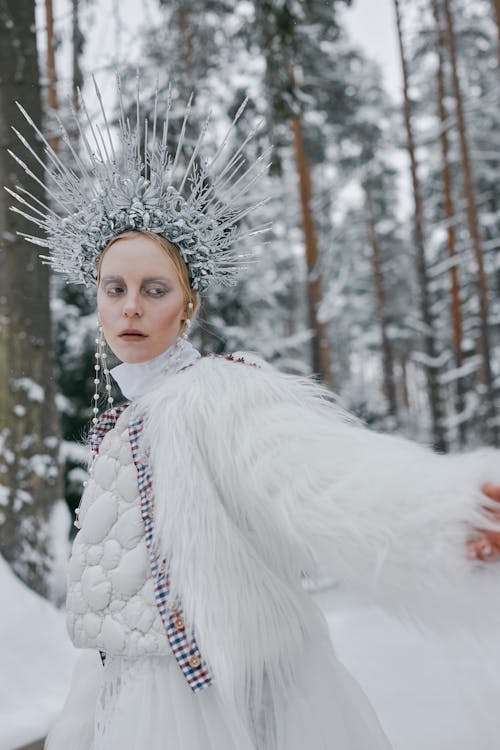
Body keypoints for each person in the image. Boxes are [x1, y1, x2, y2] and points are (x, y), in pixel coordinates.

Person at [9, 77, 500, 750]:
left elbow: (310, 475)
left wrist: (449, 517)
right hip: (123, 705)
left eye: (154, 289)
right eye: (113, 288)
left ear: (188, 305)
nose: (130, 307)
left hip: (211, 706)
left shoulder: (215, 392)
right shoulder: (123, 422)